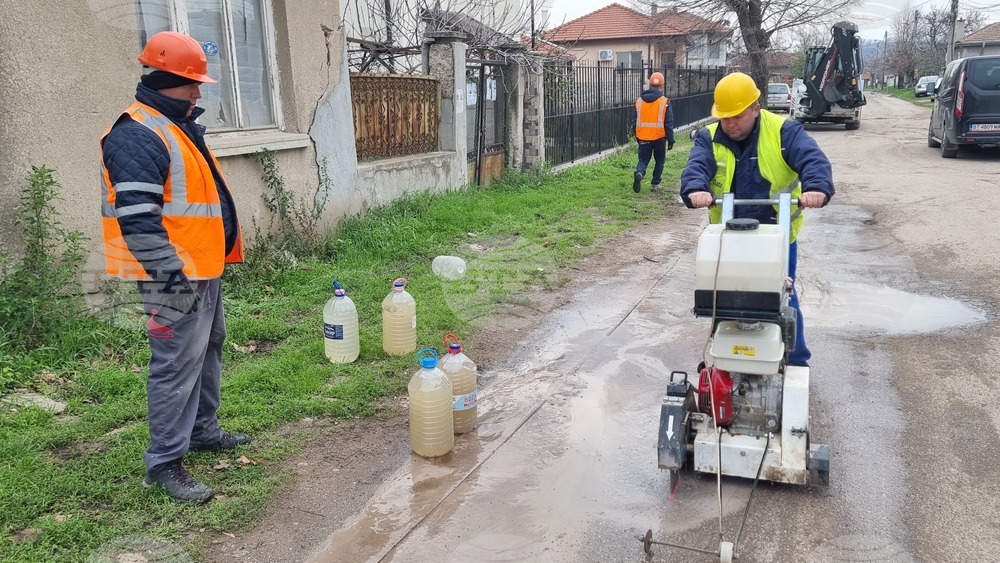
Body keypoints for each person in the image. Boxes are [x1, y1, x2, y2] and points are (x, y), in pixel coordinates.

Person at [100, 31, 249, 503]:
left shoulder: (175, 124)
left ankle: (204, 430)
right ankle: (164, 463)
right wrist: (171, 280)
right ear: (166, 80)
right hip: (173, 277)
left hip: (201, 269)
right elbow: (138, 221)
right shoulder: (137, 134)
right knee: (174, 365)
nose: (199, 92)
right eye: (192, 84)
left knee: (208, 349)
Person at [680, 72, 833, 367]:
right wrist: (696, 188)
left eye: (737, 116)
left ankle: (796, 360)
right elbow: (696, 166)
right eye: (724, 118)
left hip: (776, 235)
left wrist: (816, 187)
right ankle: (725, 358)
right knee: (723, 296)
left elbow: (812, 159)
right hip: (729, 235)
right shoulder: (708, 138)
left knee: (781, 295)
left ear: (755, 107)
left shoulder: (785, 132)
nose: (730, 124)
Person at [633, 71, 675, 193]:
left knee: (643, 160)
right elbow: (669, 123)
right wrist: (671, 139)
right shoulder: (665, 101)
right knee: (660, 160)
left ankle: (640, 173)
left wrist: (637, 136)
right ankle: (655, 184)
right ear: (662, 85)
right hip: (659, 138)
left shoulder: (639, 101)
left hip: (643, 137)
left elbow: (634, 121)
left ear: (649, 84)